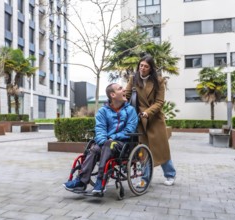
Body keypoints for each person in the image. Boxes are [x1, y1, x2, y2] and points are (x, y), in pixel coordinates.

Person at [63, 83, 138, 194]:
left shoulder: (130, 110)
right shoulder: (103, 112)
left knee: (107, 144)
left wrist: (113, 137)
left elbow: (129, 130)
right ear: (112, 94)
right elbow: (100, 130)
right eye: (120, 88)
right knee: (94, 149)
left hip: (123, 145)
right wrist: (104, 142)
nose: (124, 90)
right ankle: (81, 181)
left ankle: (100, 180)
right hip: (106, 144)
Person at [125, 55, 177, 186]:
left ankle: (170, 175)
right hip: (139, 120)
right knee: (144, 150)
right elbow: (126, 95)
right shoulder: (133, 78)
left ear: (151, 68)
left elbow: (159, 102)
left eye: (146, 66)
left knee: (161, 149)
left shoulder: (159, 81)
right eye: (141, 65)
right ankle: (145, 179)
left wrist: (147, 112)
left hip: (154, 119)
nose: (142, 68)